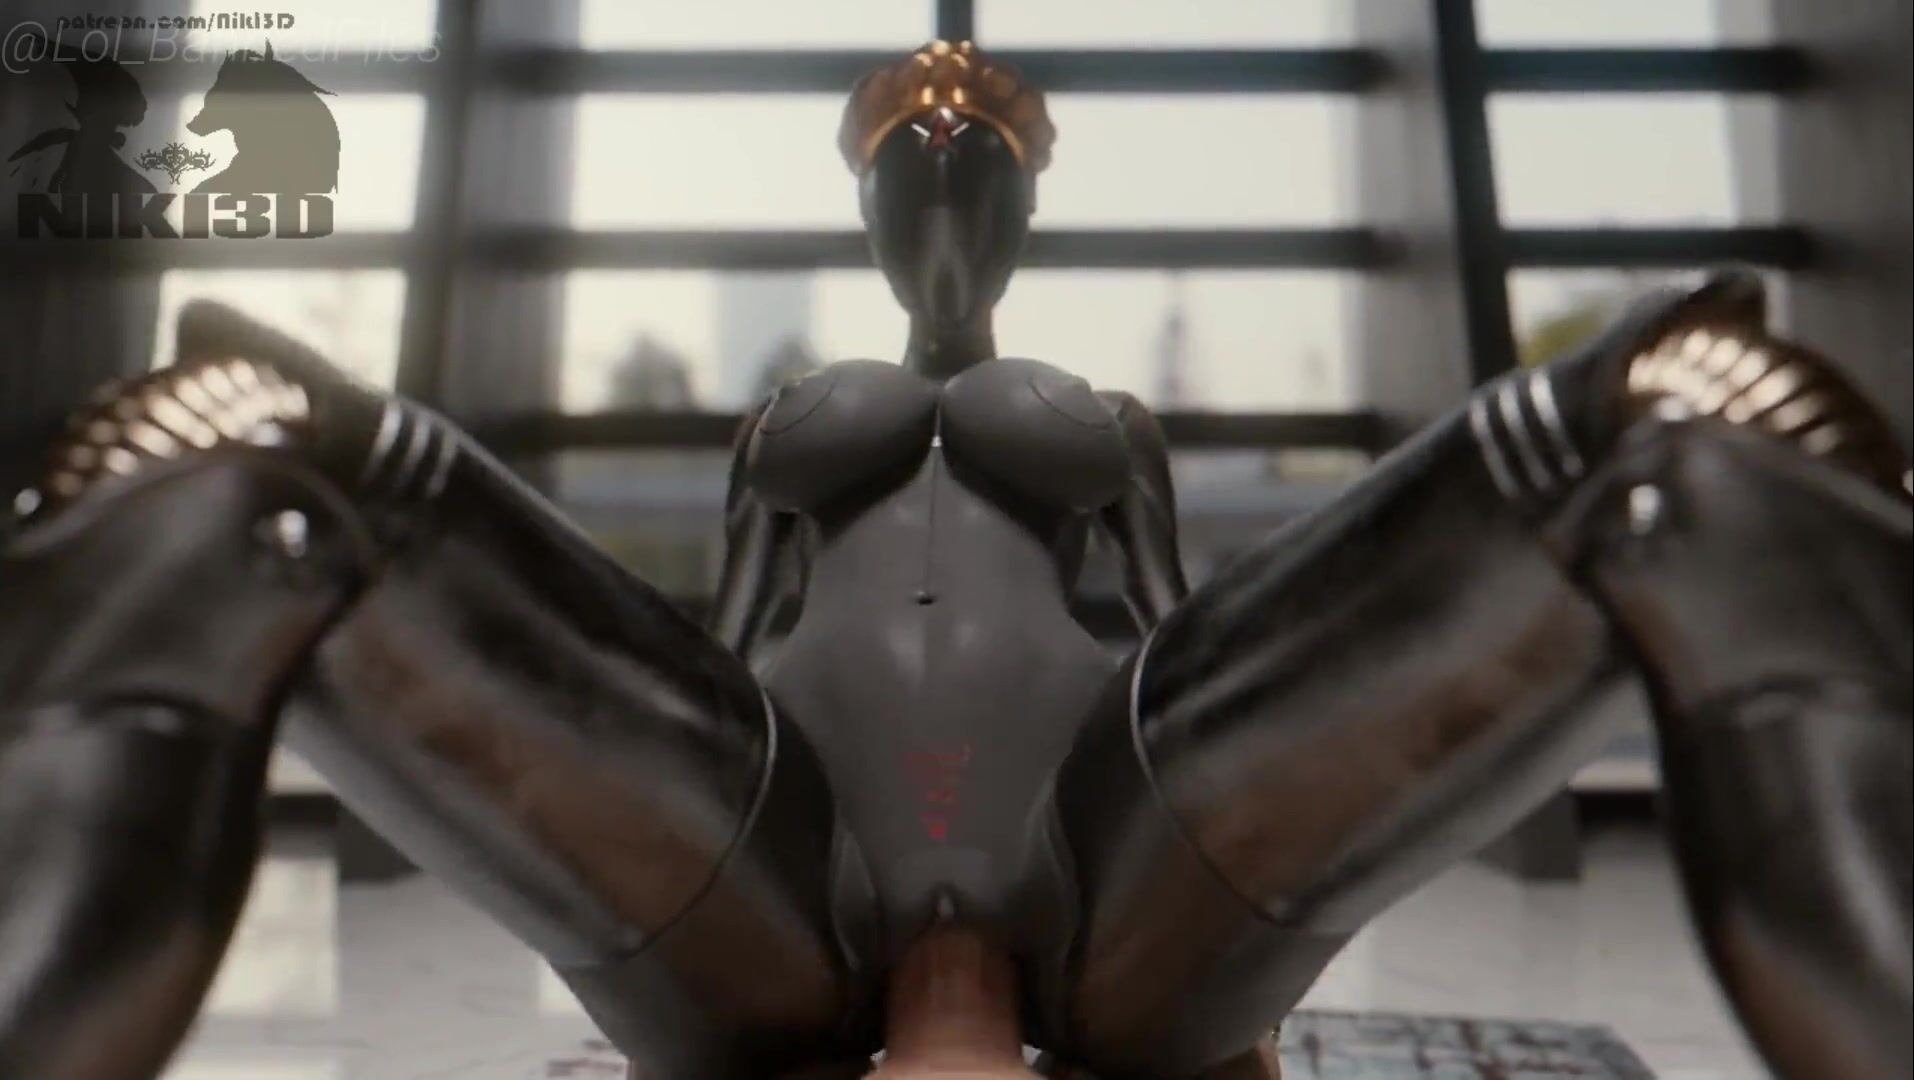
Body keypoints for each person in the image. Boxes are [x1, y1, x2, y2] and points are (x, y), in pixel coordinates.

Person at [0, 40, 1907, 1080]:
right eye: (908, 141)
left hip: (1115, 881)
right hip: (782, 876)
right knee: (241, 457)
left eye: (971, 139)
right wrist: (602, 784)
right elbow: (720, 641)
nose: (938, 150)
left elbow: (1187, 631)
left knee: (1692, 433)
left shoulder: (1100, 423)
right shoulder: (790, 422)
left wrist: (1273, 858)